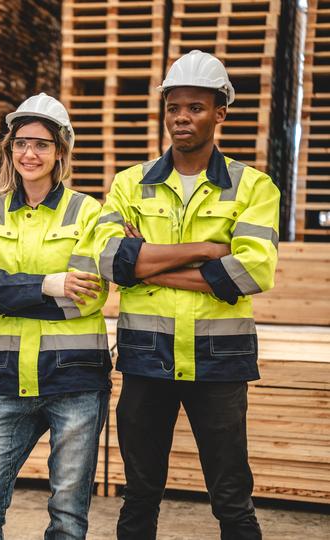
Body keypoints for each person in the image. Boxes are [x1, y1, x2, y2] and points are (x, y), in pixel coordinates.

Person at [94, 50, 279, 540]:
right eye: (174, 106)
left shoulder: (253, 187)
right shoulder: (129, 183)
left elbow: (248, 273)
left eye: (196, 107)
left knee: (232, 499)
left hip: (218, 362)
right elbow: (111, 262)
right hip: (145, 360)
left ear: (220, 112)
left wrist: (147, 267)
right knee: (139, 497)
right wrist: (205, 250)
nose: (181, 117)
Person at [0, 94, 111, 539]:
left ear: (60, 151)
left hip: (75, 381)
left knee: (68, 516)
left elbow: (87, 295)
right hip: (5, 382)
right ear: (10, 148)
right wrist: (48, 284)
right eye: (21, 143)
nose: (29, 153)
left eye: (41, 144)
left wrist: (2, 285)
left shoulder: (89, 213)